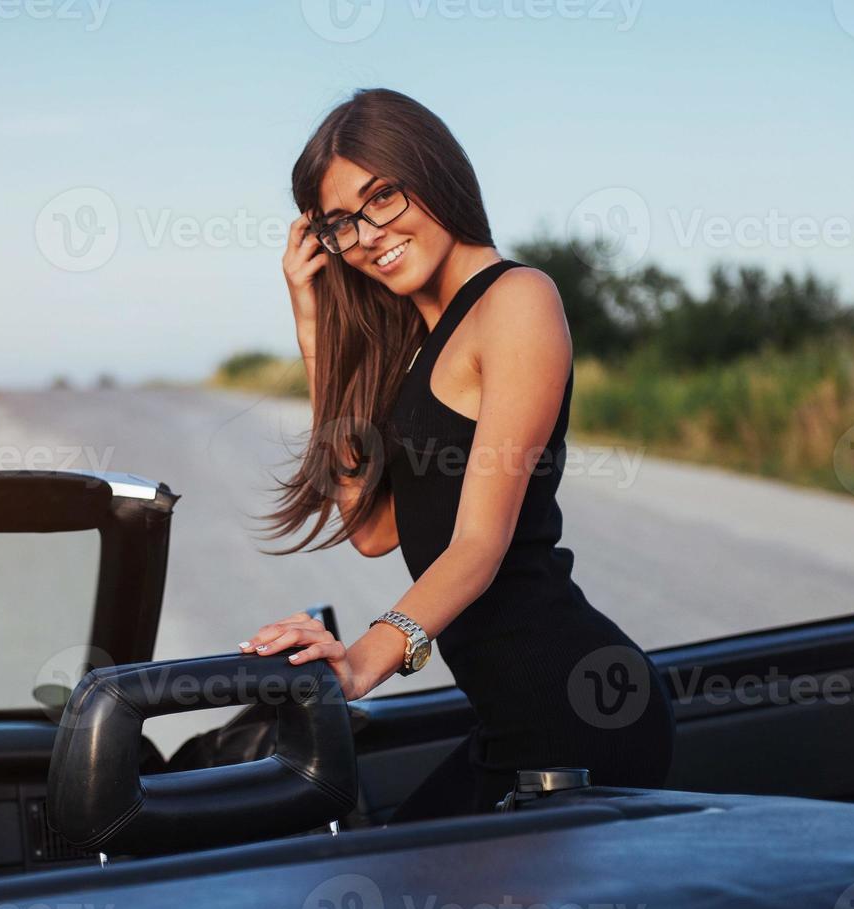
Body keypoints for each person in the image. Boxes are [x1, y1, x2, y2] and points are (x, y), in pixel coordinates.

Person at [239, 88, 676, 819]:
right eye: (340, 223)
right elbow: (373, 529)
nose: (368, 234)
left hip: (578, 717)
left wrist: (360, 662)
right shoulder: (416, 349)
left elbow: (479, 542)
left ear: (434, 170)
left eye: (381, 197)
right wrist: (312, 329)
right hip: (510, 726)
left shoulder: (516, 300)